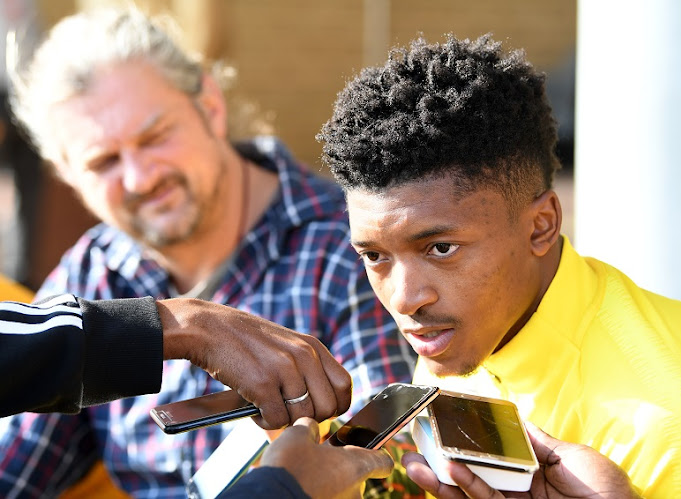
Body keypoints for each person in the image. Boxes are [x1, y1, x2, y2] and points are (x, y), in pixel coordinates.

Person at [0, 6, 415, 497]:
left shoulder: (349, 246)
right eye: (104, 161)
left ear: (210, 106)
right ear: (67, 175)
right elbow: (14, 474)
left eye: (155, 137)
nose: (140, 177)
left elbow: (389, 470)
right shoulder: (92, 273)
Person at [318, 34, 681, 497]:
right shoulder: (467, 328)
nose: (405, 298)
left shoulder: (671, 423)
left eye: (440, 248)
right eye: (375, 255)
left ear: (541, 226)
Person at [0, 296, 393, 498]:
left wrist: (175, 325)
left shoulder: (330, 242)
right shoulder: (92, 263)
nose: (140, 178)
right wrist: (284, 490)